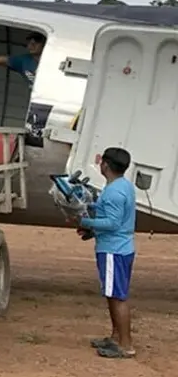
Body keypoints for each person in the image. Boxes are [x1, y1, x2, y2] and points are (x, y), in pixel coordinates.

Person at [78, 147, 137, 359]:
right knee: (113, 294)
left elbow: (112, 223)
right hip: (120, 247)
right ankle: (116, 337)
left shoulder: (113, 192)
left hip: (114, 249)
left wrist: (84, 221)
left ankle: (125, 345)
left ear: (106, 165)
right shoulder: (123, 186)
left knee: (117, 296)